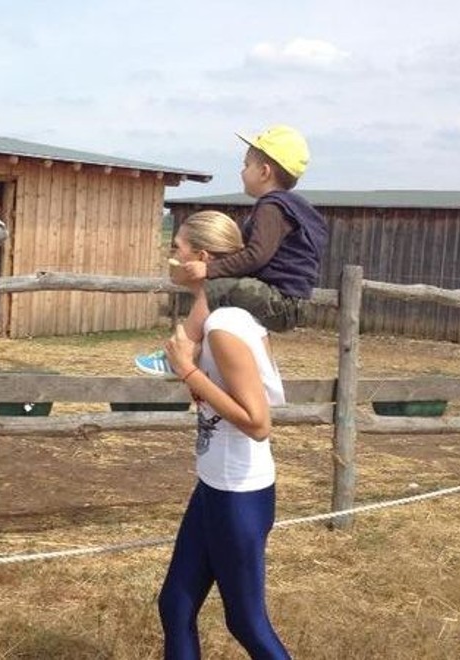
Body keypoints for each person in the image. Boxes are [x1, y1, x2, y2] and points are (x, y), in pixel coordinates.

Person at [156, 211, 290, 659]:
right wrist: (200, 385)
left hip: (239, 492)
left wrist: (190, 372)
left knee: (246, 622)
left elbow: (258, 422)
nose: (171, 257)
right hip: (214, 484)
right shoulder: (216, 314)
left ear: (202, 256)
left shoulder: (225, 327)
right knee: (175, 603)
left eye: (176, 249)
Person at [135, 124, 328, 378]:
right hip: (287, 300)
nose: (242, 171)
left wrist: (209, 268)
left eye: (246, 165)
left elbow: (257, 255)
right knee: (222, 296)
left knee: (213, 289)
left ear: (264, 172)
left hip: (281, 301)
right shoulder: (293, 208)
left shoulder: (271, 208)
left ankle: (178, 356)